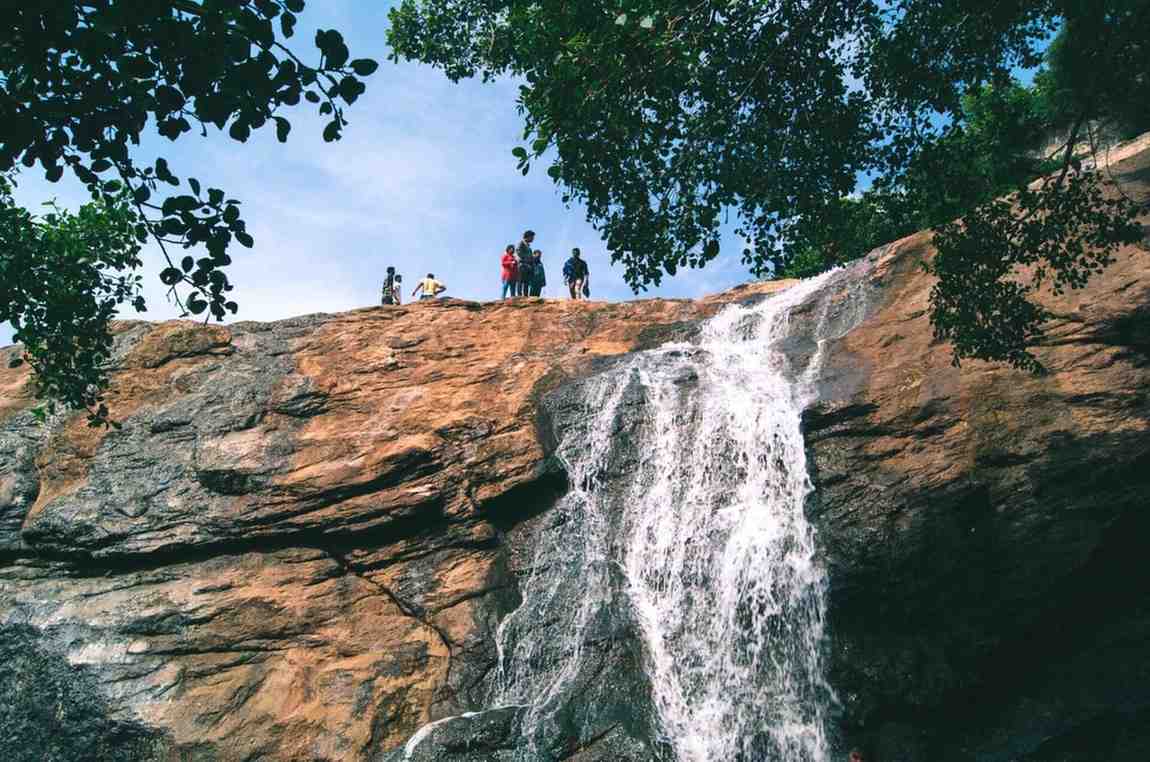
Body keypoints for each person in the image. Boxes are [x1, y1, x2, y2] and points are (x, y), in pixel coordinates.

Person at [516, 230, 535, 296]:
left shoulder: (529, 247)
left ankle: (525, 295)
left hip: (528, 266)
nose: (533, 239)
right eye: (532, 237)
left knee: (526, 282)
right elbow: (518, 252)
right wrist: (526, 260)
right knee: (520, 281)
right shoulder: (521, 243)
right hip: (522, 265)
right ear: (528, 236)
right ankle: (519, 295)